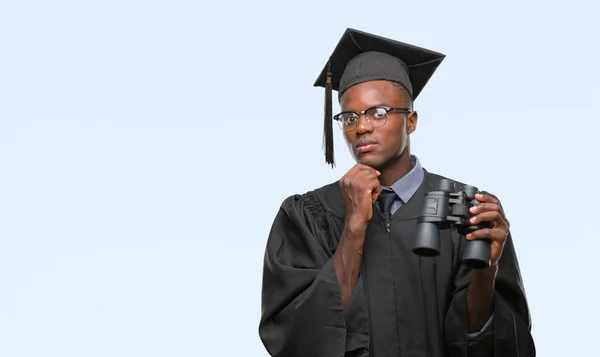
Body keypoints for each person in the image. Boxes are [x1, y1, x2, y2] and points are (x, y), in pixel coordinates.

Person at [258, 28, 535, 357]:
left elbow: (491, 345)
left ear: (412, 120)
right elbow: (295, 339)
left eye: (378, 113)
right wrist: (354, 226)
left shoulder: (463, 210)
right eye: (348, 117)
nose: (361, 127)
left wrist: (486, 271)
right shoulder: (307, 216)